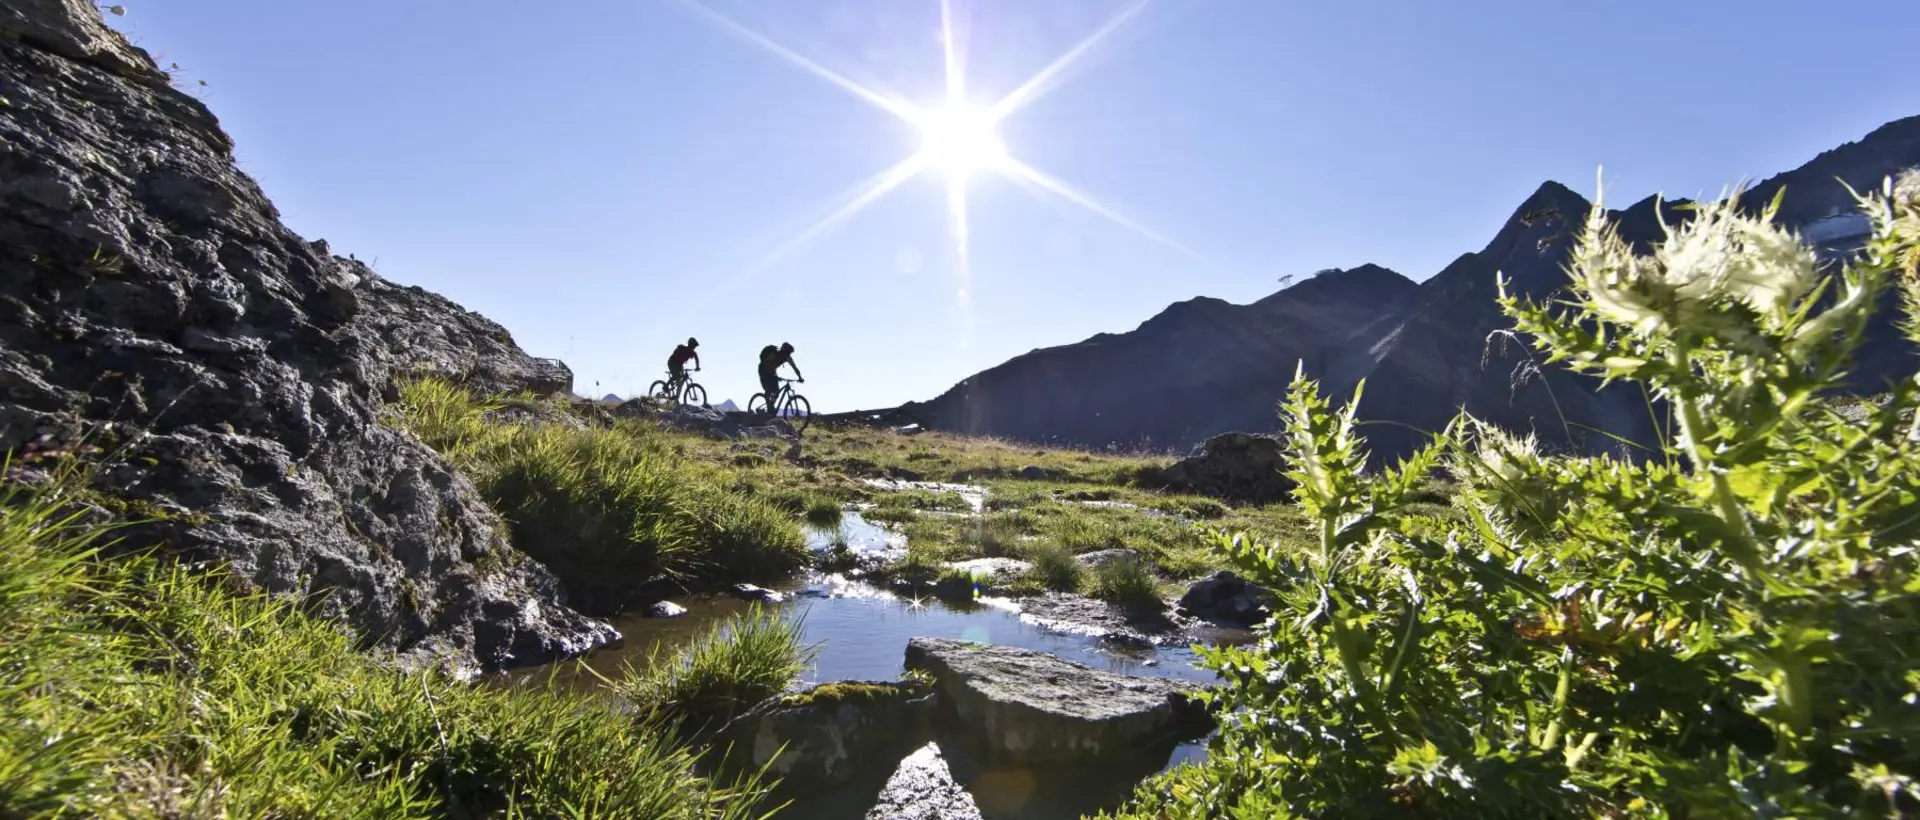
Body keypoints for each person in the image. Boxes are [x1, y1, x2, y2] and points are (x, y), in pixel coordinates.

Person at [757, 342, 801, 409]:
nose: (789, 354)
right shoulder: (773, 354)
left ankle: (770, 406)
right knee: (769, 389)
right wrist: (774, 376)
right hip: (763, 370)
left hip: (772, 372)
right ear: (784, 351)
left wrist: (800, 377)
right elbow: (766, 365)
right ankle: (768, 405)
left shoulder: (787, 358)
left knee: (776, 392)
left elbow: (795, 368)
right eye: (788, 353)